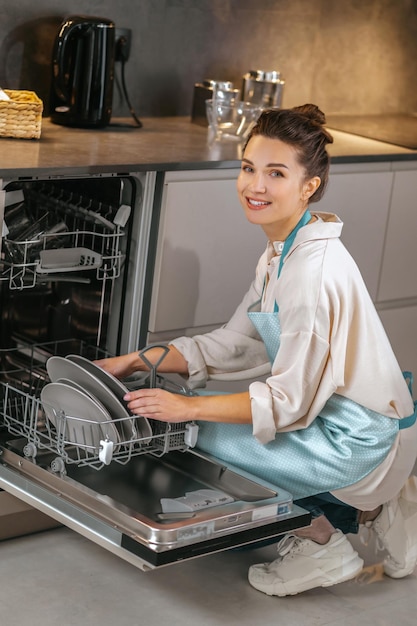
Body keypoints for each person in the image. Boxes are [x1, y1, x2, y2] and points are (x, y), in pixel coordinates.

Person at [96, 104, 417, 597]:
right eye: (248, 168)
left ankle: (321, 543)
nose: (255, 186)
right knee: (205, 419)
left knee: (197, 432)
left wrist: (188, 407)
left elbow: (285, 404)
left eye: (275, 173)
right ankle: (378, 509)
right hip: (342, 418)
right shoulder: (284, 250)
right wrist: (135, 361)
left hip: (357, 438)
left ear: (309, 186)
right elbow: (235, 343)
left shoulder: (312, 273)